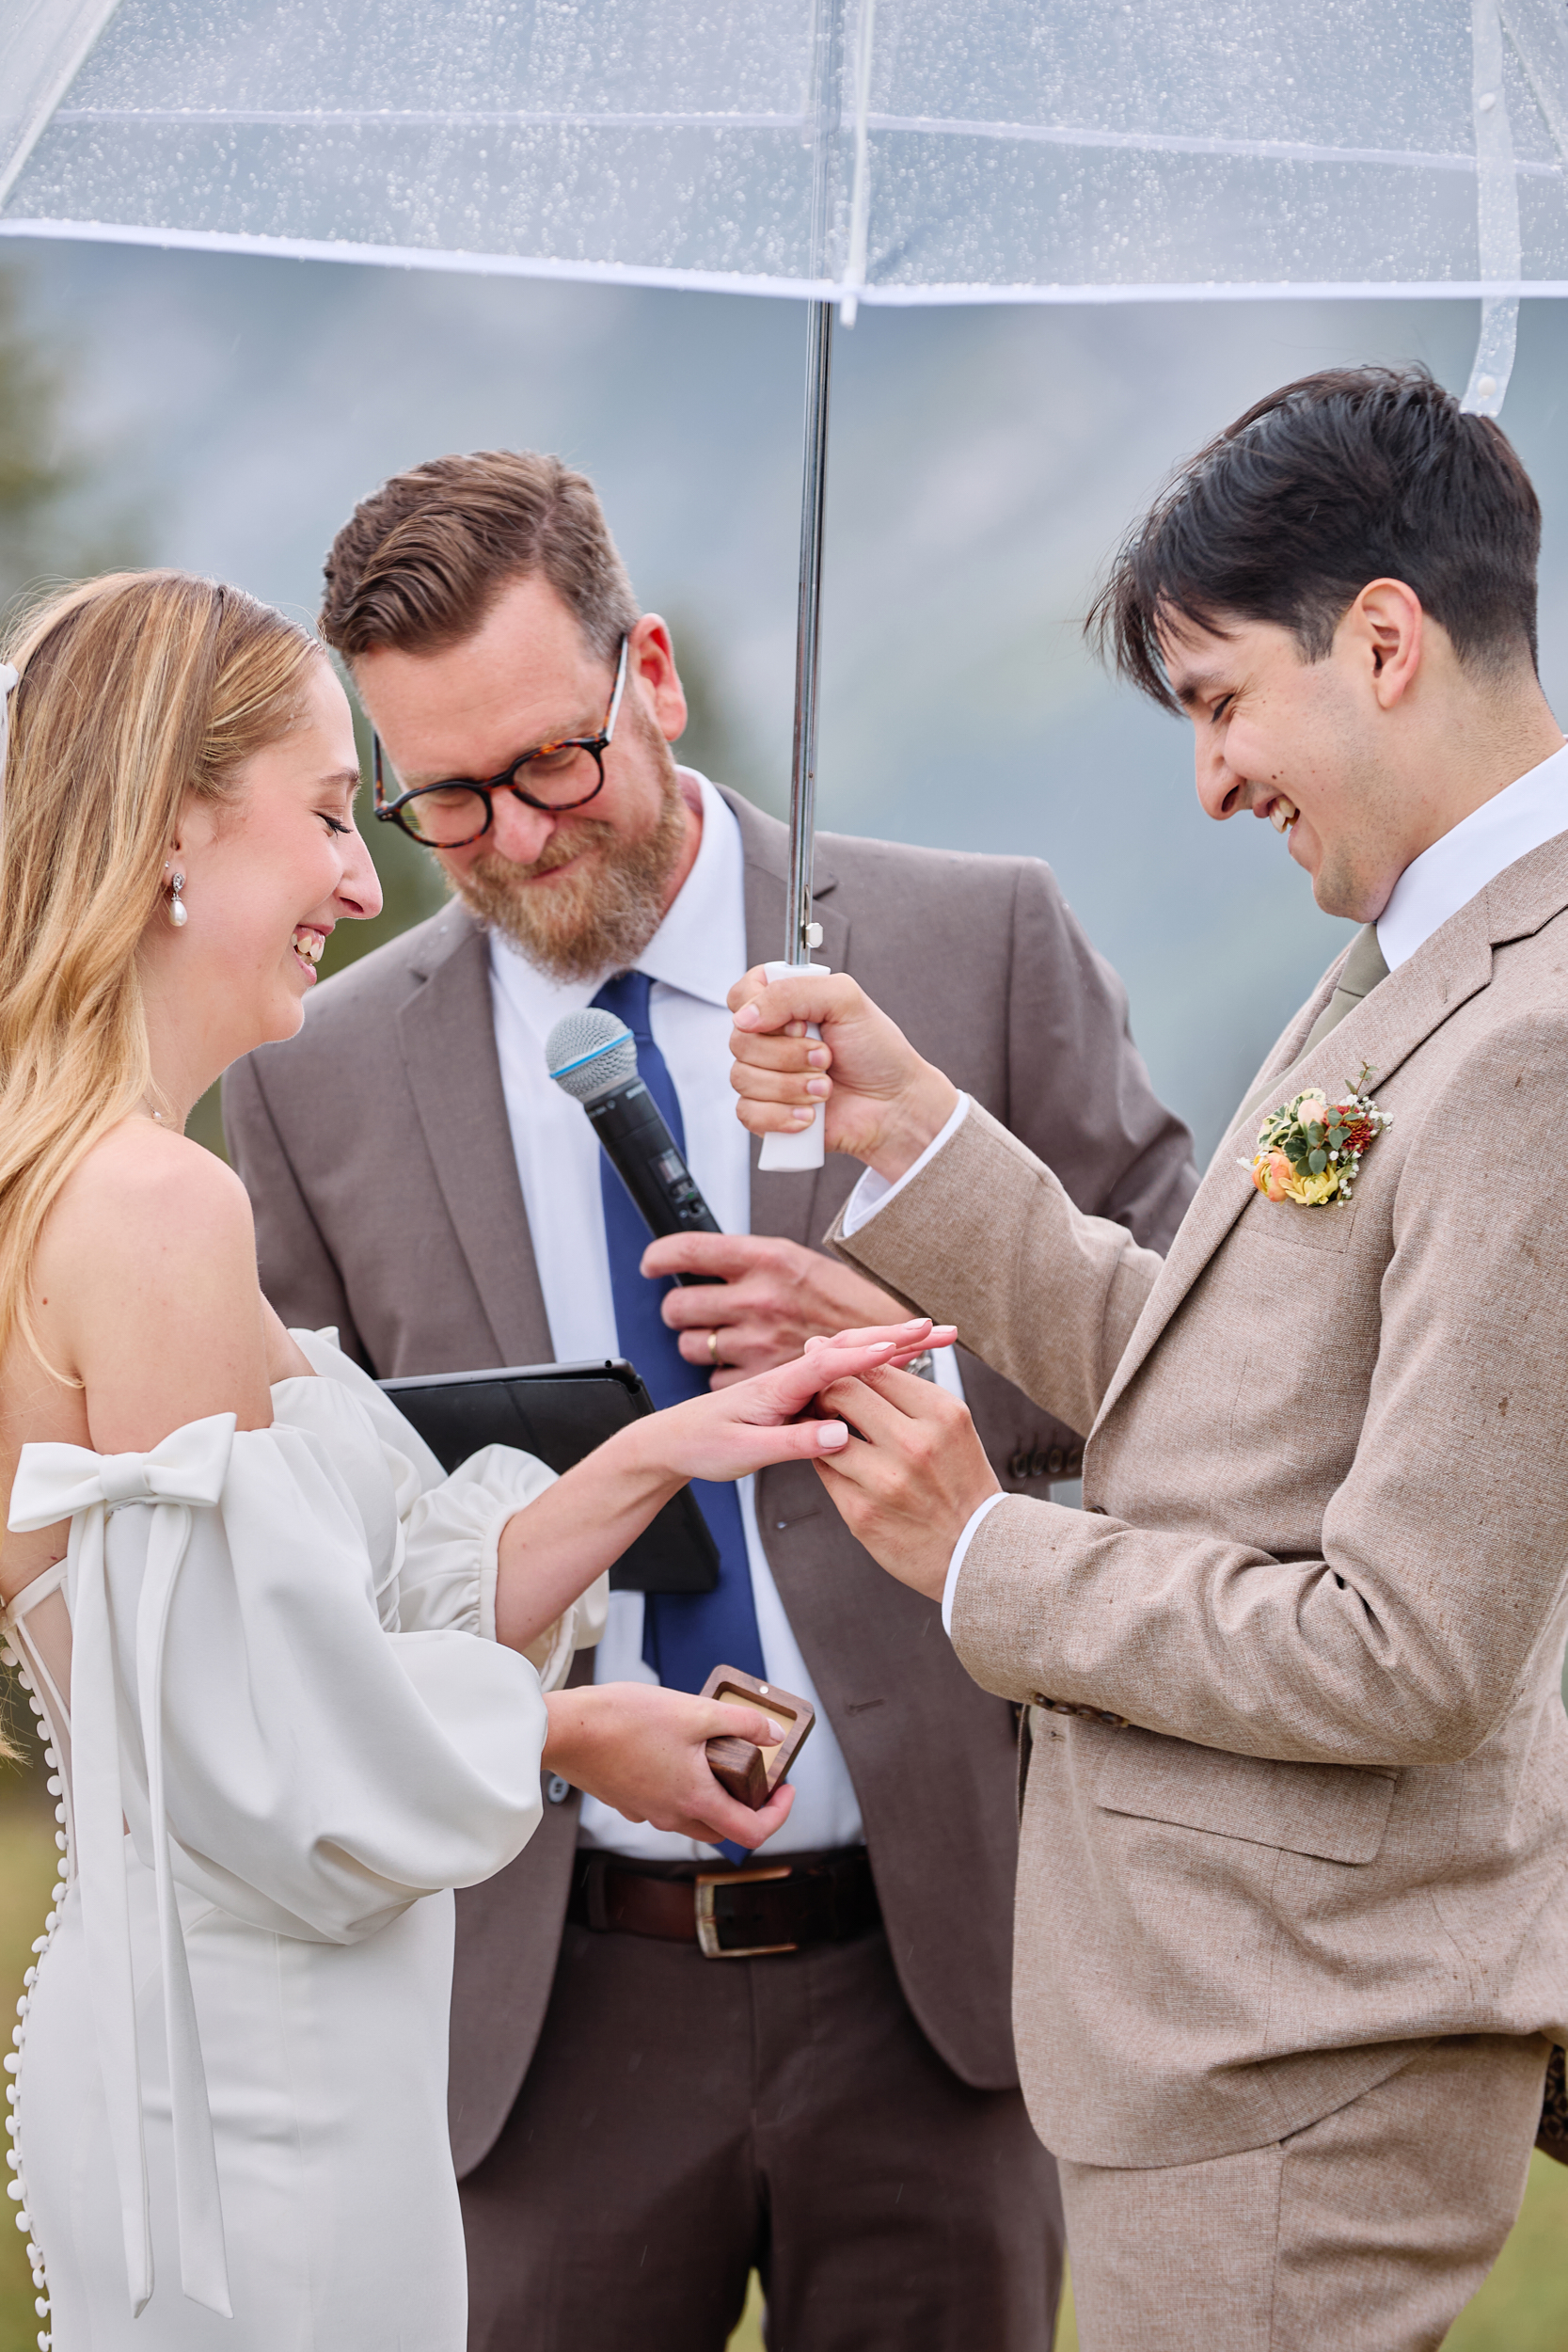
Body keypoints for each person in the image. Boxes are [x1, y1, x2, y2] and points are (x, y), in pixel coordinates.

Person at [221, 450, 1198, 2351]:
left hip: (940, 1979)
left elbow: (1199, 1370)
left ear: (648, 670)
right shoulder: (311, 1085)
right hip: (539, 2000)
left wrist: (912, 1336)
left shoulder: (975, 945)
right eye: (445, 800)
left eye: (551, 764)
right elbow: (298, 1552)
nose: (510, 837)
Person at [0, 567, 939, 2350]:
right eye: (334, 817)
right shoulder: (155, 1207)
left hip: (212, 2026)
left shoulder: (72, 1180)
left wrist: (655, 1451)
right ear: (180, 830)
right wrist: (578, 1732)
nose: (366, 887)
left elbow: (325, 1621)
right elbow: (295, 1766)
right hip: (258, 2081)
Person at [729, 364, 1568, 2351]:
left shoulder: (1533, 1042)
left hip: (1305, 2062)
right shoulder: (1415, 960)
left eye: (1216, 703)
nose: (1208, 781)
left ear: (1381, 641)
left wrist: (983, 1556)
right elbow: (1216, 1379)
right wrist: (906, 1120)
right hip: (1240, 2045)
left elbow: (1412, 1648)